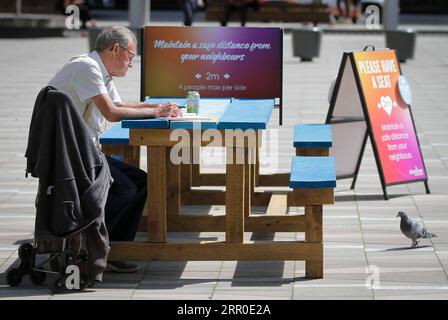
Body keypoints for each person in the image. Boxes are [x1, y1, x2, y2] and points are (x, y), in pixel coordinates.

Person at [47, 26, 181, 273]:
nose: (131, 64)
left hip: (83, 151)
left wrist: (157, 105)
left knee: (140, 181)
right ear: (115, 49)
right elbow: (112, 112)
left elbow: (118, 103)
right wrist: (155, 112)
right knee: (125, 188)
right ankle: (89, 250)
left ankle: (115, 249)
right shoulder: (86, 67)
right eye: (131, 56)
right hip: (71, 155)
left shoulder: (99, 70)